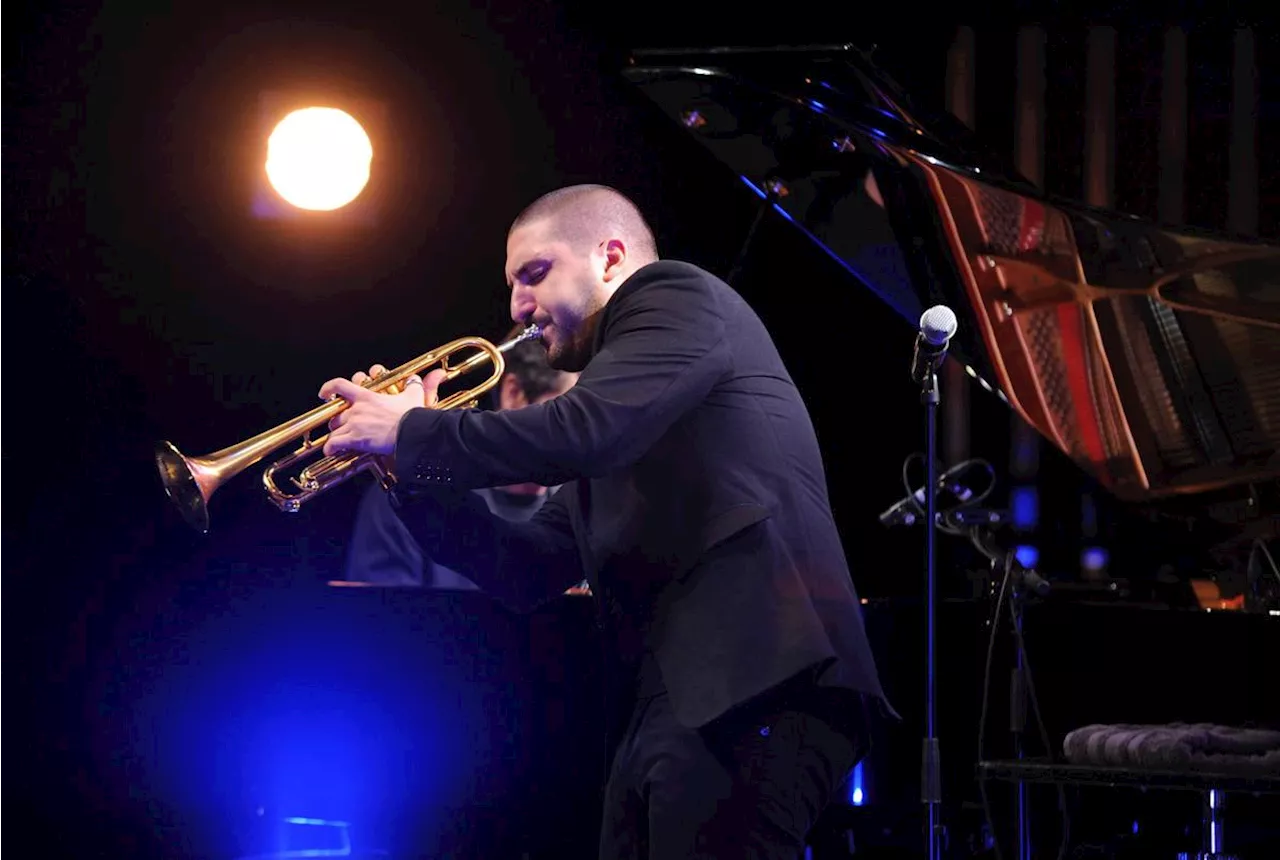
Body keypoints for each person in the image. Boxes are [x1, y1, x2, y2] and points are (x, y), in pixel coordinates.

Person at [318, 184, 894, 859]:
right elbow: (524, 566)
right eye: (509, 286)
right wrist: (403, 470)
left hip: (754, 681)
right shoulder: (622, 414)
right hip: (666, 703)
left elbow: (582, 432)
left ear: (612, 257)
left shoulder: (676, 295)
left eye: (534, 273)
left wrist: (415, 429)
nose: (515, 307)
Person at [341, 329, 579, 589]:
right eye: (566, 411)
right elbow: (381, 617)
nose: (580, 430)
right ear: (514, 393)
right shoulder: (396, 498)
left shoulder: (581, 502)